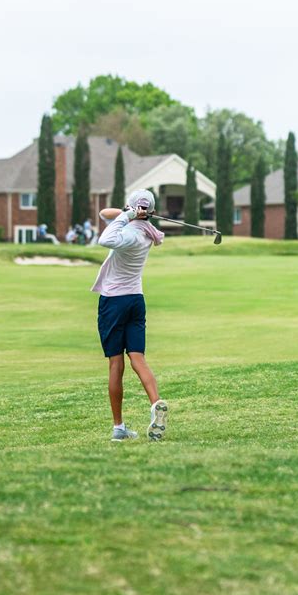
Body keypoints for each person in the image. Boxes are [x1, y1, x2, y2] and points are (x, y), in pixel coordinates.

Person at [91, 189, 168, 442]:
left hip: (114, 302)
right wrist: (131, 212)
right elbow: (105, 213)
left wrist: (127, 214)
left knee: (116, 364)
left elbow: (105, 239)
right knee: (138, 358)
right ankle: (156, 402)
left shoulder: (129, 236)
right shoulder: (148, 232)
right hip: (136, 300)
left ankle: (118, 428)